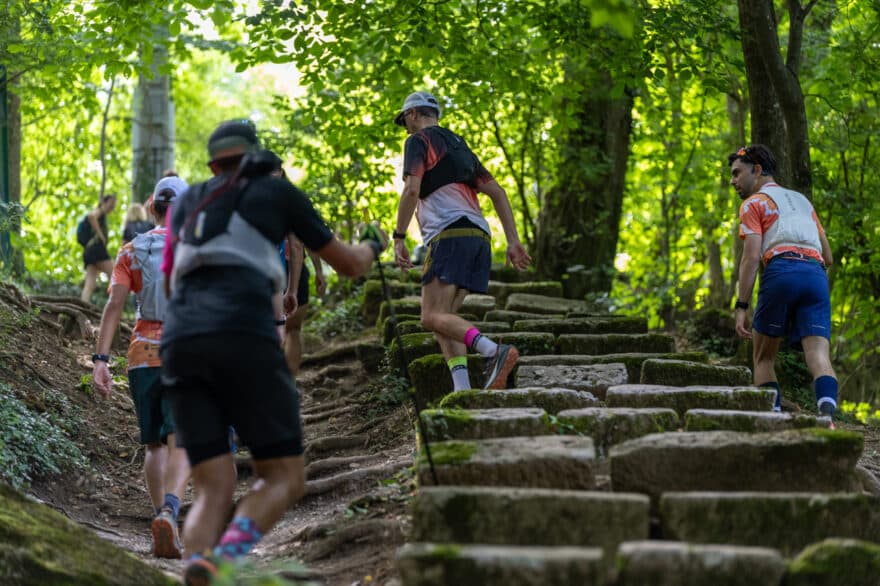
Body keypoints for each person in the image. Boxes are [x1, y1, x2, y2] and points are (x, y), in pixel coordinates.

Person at [159, 119, 385, 585]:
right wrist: (374, 242)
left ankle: (200, 566)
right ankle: (224, 560)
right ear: (257, 156)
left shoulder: (187, 204)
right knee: (283, 477)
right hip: (242, 334)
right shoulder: (277, 193)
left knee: (213, 487)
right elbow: (349, 264)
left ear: (213, 162)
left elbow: (169, 279)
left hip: (180, 342)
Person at [391, 91, 531, 391]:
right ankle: (462, 389)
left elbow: (412, 190)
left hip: (450, 234)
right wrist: (513, 241)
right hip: (478, 238)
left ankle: (494, 351)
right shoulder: (460, 147)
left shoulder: (419, 141)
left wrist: (399, 237)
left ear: (413, 114)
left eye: (405, 121)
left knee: (430, 316)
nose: (406, 128)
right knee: (445, 317)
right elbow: (497, 193)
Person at [91, 176, 191, 559]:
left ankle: (158, 518)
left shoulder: (131, 251)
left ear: (152, 208)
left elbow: (113, 306)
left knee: (153, 444)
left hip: (142, 358)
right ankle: (170, 512)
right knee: (179, 436)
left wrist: (101, 360)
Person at [728, 144, 837, 419]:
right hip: (815, 273)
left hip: (781, 271)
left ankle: (773, 422)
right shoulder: (803, 201)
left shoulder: (753, 204)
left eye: (737, 173)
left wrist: (741, 305)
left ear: (757, 169)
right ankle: (827, 416)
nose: (733, 181)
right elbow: (828, 256)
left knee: (763, 358)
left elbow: (751, 257)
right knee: (819, 355)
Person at [281, 235, 326, 374]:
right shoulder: (293, 213)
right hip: (295, 267)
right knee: (293, 330)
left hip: (265, 267)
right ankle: (289, 384)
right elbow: (303, 242)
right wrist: (319, 271)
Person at [80, 194, 117, 303]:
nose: (112, 207)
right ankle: (114, 305)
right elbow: (92, 216)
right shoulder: (99, 211)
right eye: (111, 204)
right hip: (97, 250)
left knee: (90, 283)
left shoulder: (103, 216)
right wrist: (100, 235)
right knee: (116, 274)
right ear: (104, 202)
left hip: (89, 251)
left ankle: (83, 304)